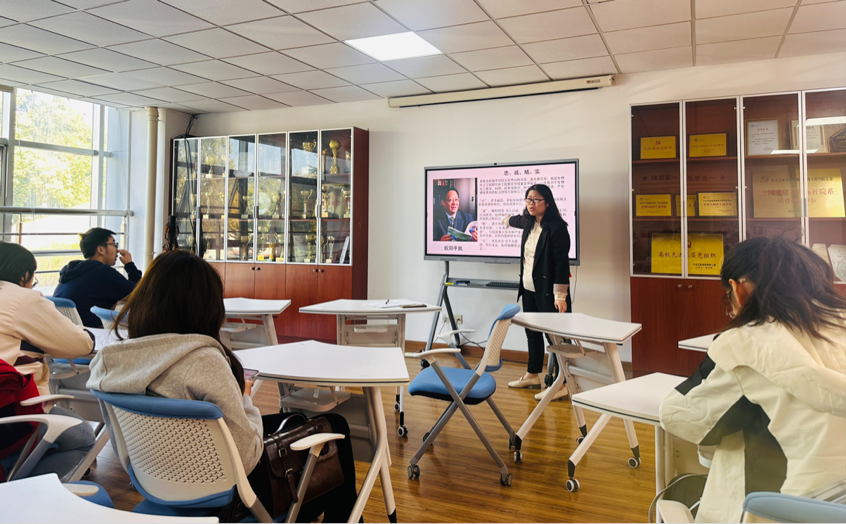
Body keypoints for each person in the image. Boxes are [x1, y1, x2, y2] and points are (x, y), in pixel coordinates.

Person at [86, 251, 358, 522]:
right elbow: (248, 456)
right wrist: (245, 398)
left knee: (294, 419)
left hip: (158, 481)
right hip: (234, 499)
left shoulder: (110, 362)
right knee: (334, 427)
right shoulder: (202, 360)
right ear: (206, 306)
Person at [659, 237, 846, 523]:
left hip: (792, 506)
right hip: (836, 503)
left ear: (739, 289)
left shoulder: (745, 343)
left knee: (696, 482)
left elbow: (679, 417)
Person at [0, 242, 96, 481]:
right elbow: (79, 344)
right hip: (11, 413)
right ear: (24, 276)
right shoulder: (22, 299)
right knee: (83, 438)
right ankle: (23, 493)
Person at [503, 184, 572, 401]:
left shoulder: (557, 228)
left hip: (549, 293)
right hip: (529, 289)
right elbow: (516, 220)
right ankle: (532, 375)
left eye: (536, 200)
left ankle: (564, 382)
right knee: (532, 333)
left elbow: (561, 264)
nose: (531, 204)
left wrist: (560, 296)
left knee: (556, 337)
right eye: (528, 199)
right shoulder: (528, 222)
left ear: (547, 203)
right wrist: (506, 220)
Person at [54, 228, 142, 328]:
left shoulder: (72, 271)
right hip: (90, 332)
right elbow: (141, 292)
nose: (117, 250)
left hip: (66, 331)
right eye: (114, 244)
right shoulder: (101, 272)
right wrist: (130, 265)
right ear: (101, 249)